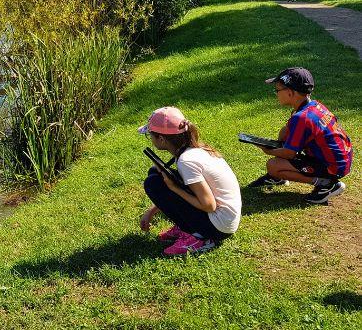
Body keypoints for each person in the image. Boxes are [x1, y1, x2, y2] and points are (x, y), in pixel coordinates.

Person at [139, 107, 242, 256]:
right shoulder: (192, 149)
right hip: (225, 219)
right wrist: (151, 211)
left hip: (219, 227)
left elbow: (209, 205)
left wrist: (175, 189)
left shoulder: (186, 161)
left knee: (153, 184)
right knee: (155, 174)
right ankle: (188, 226)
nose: (151, 139)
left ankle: (200, 237)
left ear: (161, 139)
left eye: (150, 135)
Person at [249, 68, 353, 204]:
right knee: (284, 132)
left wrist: (267, 149)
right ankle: (276, 178)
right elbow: (286, 133)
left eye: (277, 90)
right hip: (340, 159)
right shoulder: (313, 106)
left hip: (332, 167)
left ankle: (327, 184)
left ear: (290, 93)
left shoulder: (302, 118)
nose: (276, 94)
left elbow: (289, 153)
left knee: (273, 165)